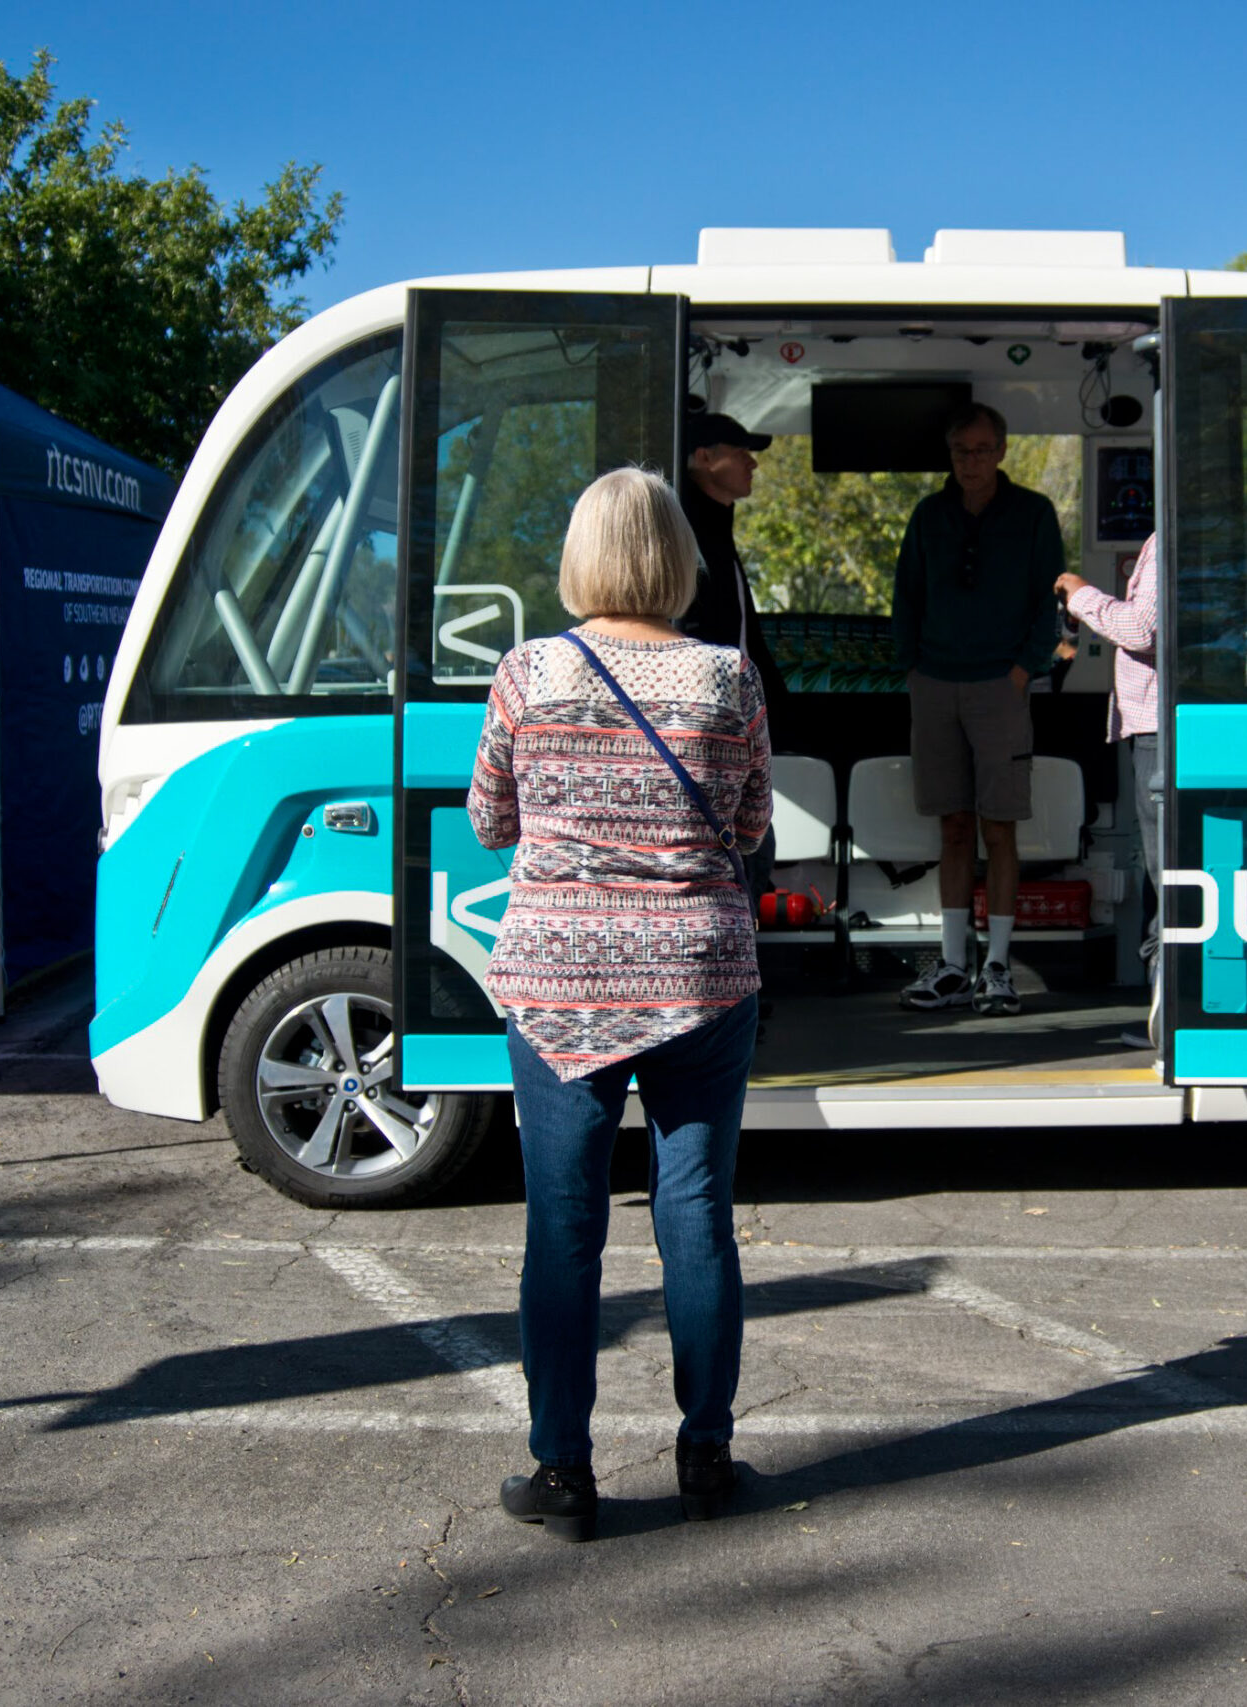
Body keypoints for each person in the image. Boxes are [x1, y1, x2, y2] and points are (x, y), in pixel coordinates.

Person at [468, 466, 770, 1543]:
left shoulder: (529, 672)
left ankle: (563, 1475)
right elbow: (746, 824)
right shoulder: (727, 676)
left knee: (563, 1227)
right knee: (694, 1213)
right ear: (678, 557)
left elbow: (490, 822)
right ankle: (706, 1457)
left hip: (557, 979)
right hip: (698, 974)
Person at [890, 402, 1065, 1017]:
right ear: (951, 454)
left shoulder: (1034, 513)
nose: (972, 461)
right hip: (934, 681)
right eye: (962, 450)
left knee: (1000, 827)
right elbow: (905, 596)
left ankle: (998, 965)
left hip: (1001, 684)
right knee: (953, 826)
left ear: (1002, 451)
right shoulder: (928, 514)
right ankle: (954, 965)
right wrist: (912, 666)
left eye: (983, 449)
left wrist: (1022, 671)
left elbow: (1051, 602)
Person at [677, 411, 790, 909]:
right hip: (709, 727)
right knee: (744, 853)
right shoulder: (685, 532)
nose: (753, 464)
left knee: (754, 848)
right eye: (740, 451)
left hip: (736, 724)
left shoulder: (716, 527)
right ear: (703, 459)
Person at [1058, 533, 1162, 1052]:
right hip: (1184, 723)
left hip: (1164, 728)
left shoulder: (1177, 531)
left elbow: (1140, 628)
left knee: (1165, 871)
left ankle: (1169, 1018)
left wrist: (1079, 594)